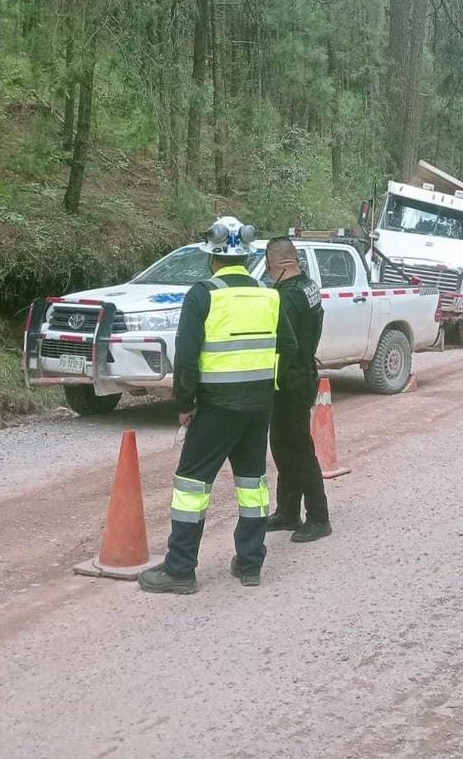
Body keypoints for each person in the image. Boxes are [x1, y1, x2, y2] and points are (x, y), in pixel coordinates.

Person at [138, 216, 297, 594]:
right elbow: (288, 348)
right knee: (252, 484)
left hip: (216, 407)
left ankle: (179, 570)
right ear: (247, 257)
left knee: (191, 486)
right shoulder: (269, 295)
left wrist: (185, 403)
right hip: (259, 407)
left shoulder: (203, 294)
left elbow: (187, 358)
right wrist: (265, 386)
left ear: (212, 257)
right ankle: (250, 563)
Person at [263, 236, 332, 543]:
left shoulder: (286, 297)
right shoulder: (309, 286)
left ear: (276, 265)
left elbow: (283, 345)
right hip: (303, 374)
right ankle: (287, 511)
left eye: (267, 267)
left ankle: (318, 517)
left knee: (298, 449)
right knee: (282, 444)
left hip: (290, 380)